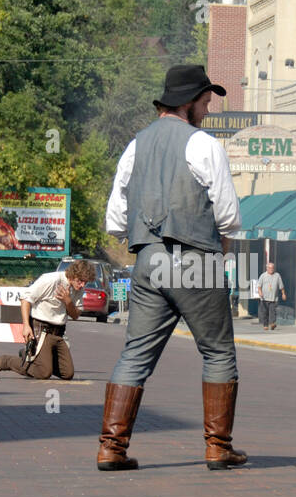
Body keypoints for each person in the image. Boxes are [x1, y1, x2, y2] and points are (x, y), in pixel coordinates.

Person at [97, 64, 245, 472]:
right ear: (188, 103)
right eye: (205, 102)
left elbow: (115, 219)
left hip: (147, 261)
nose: (208, 110)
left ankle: (111, 447)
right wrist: (219, 254)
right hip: (196, 259)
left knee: (135, 355)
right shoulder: (204, 144)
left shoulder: (135, 146)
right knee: (217, 352)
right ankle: (218, 447)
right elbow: (229, 216)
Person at [0, 260, 94, 380]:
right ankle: (3, 361)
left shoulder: (78, 289)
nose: (82, 285)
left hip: (59, 332)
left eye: (86, 282)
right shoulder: (51, 280)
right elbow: (25, 299)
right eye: (80, 281)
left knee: (67, 373)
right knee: (43, 372)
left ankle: (29, 355)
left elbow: (75, 315)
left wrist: (68, 301)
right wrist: (26, 326)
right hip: (42, 329)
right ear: (73, 275)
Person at [257, 261, 286, 331]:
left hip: (273, 298)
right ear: (267, 268)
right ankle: (265, 325)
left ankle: (272, 323)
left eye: (272, 268)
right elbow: (259, 286)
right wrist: (260, 292)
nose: (271, 269)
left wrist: (283, 294)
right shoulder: (263, 275)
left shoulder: (277, 276)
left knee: (272, 312)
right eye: (269, 268)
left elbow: (281, 286)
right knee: (265, 312)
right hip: (264, 298)